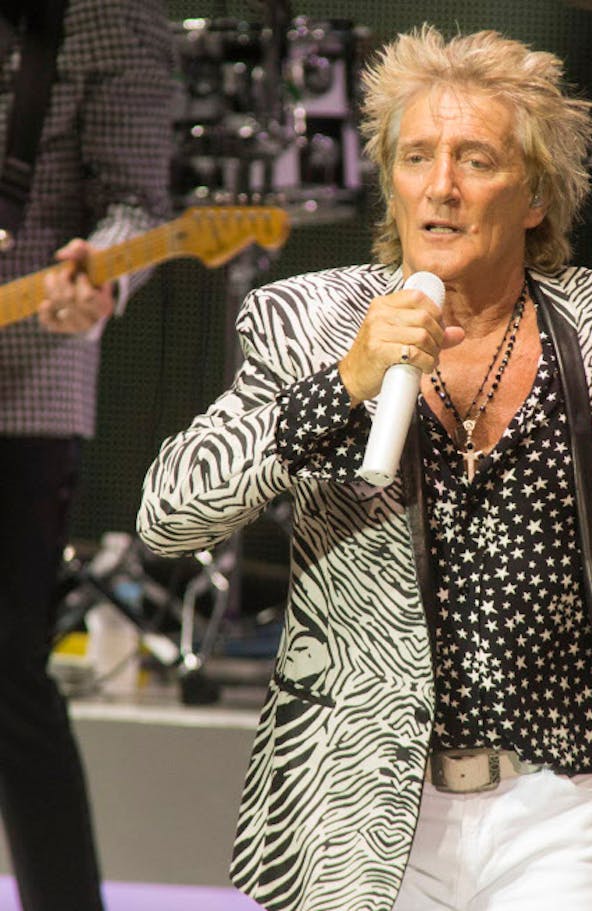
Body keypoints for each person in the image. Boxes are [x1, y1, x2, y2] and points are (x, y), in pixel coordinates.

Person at [137, 25, 592, 911]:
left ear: (537, 198)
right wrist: (342, 386)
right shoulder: (304, 321)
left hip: (565, 795)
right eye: (417, 157)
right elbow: (169, 511)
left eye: (475, 159)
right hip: (365, 807)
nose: (440, 187)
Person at [0, 1, 172, 909]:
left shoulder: (106, 16)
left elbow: (137, 202)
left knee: (6, 674)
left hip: (23, 378)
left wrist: (100, 273)